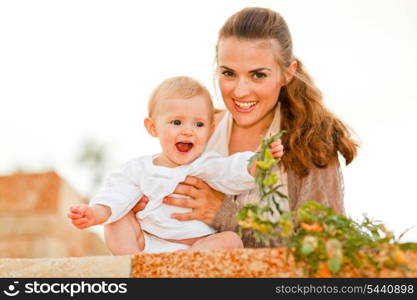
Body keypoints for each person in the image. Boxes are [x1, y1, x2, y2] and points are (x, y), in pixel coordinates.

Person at [131, 7, 358, 248]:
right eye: (228, 73)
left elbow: (324, 250)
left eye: (258, 75)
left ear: (287, 73)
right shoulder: (199, 131)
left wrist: (224, 215)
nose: (239, 91)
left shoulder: (311, 143)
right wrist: (141, 208)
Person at [67, 76, 284, 253]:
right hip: (148, 245)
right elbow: (116, 194)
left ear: (209, 131)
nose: (188, 131)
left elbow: (231, 171)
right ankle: (131, 265)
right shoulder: (138, 169)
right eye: (177, 122)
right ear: (153, 127)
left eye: (198, 124)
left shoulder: (205, 164)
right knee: (116, 219)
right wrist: (95, 212)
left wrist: (257, 162)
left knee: (230, 240)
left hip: (197, 247)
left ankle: (187, 269)